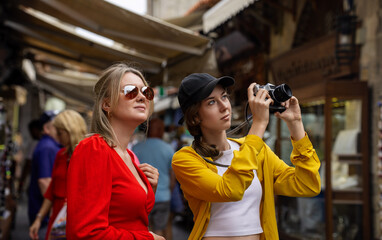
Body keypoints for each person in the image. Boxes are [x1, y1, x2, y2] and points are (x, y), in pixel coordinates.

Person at [171, 73, 321, 240]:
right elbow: (231, 190)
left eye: (224, 97)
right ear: (195, 116)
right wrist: (258, 124)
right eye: (211, 102)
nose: (224, 106)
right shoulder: (185, 159)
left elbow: (307, 185)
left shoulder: (256, 150)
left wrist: (296, 124)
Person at [66, 62, 165, 240]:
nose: (142, 97)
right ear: (107, 104)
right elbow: (87, 233)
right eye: (130, 91)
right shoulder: (94, 149)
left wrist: (149, 189)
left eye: (146, 91)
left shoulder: (130, 156)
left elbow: (127, 219)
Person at [29, 109, 87, 240]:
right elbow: (51, 191)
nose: (57, 137)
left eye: (60, 133)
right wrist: (39, 218)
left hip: (77, 219)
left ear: (70, 131)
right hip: (58, 216)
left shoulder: (87, 155)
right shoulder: (61, 155)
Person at [133, 118, 175, 238]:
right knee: (160, 229)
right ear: (161, 131)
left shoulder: (136, 148)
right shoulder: (168, 149)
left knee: (146, 229)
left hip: (143, 197)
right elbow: (172, 177)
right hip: (163, 197)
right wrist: (169, 193)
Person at [28, 110, 61, 239]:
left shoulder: (49, 145)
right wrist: (54, 210)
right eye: (55, 125)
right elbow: (44, 182)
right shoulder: (48, 146)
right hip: (45, 217)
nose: (59, 128)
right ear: (46, 128)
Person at [17, 119, 42, 197]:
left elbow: (28, 163)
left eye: (31, 131)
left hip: (35, 180)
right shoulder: (41, 143)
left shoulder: (35, 143)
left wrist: (21, 183)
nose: (30, 133)